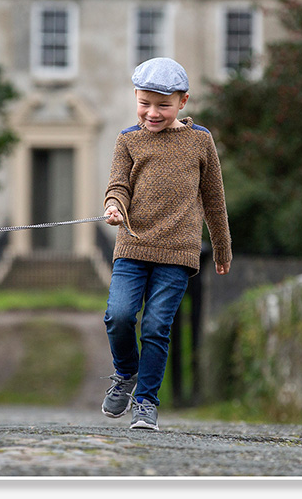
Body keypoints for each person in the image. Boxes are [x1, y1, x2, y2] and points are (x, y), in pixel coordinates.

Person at [101, 57, 232, 430]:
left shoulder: (200, 142)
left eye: (163, 104)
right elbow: (118, 186)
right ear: (136, 98)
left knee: (157, 325)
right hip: (132, 247)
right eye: (145, 103)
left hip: (178, 253)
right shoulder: (128, 140)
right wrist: (113, 206)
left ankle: (145, 401)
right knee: (119, 316)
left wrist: (222, 249)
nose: (152, 113)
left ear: (183, 102)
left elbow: (214, 200)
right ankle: (126, 373)